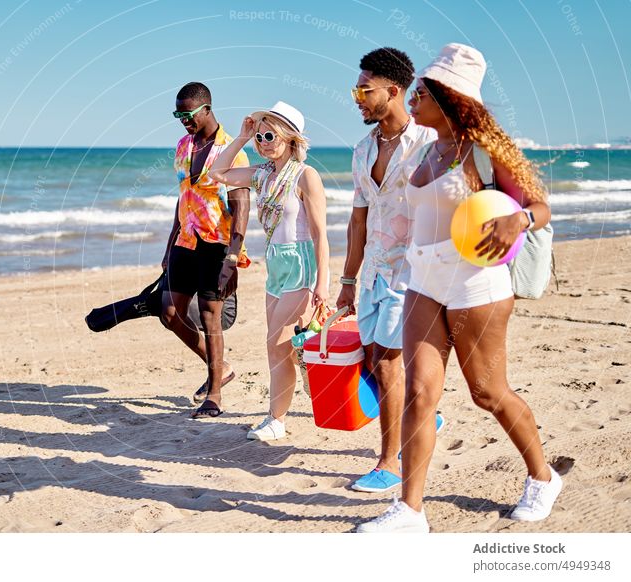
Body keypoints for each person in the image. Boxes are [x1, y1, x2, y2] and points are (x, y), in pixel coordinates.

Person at [357, 44, 560, 533]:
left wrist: (520, 220)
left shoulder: (485, 151)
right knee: (420, 394)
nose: (414, 100)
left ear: (449, 99)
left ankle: (542, 476)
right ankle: (409, 512)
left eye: (422, 93)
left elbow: (540, 207)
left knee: (487, 392)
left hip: (476, 285)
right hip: (422, 281)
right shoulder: (427, 149)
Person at [337, 47, 444, 493]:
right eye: (356, 90)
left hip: (413, 272)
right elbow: (359, 218)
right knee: (376, 359)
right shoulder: (363, 151)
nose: (357, 98)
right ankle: (424, 415)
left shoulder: (427, 143)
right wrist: (346, 279)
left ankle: (389, 463)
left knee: (389, 364)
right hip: (374, 274)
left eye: (364, 90)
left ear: (393, 91)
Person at [209, 101, 329, 440]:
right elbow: (217, 174)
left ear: (290, 138)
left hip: (301, 265)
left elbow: (321, 234)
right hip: (275, 266)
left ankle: (276, 420)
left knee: (275, 343)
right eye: (259, 135)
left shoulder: (307, 176)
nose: (263, 141)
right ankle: (303, 375)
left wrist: (324, 283)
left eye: (269, 134)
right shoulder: (262, 174)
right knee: (284, 347)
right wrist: (242, 138)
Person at [160, 82, 251, 419]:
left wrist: (233, 257)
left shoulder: (231, 149)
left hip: (216, 245)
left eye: (188, 114)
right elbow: (183, 196)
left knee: (211, 318)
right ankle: (221, 368)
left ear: (207, 109)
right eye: (178, 114)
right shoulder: (183, 145)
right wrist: (170, 244)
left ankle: (214, 395)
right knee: (169, 313)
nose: (183, 120)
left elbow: (241, 206)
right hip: (185, 241)